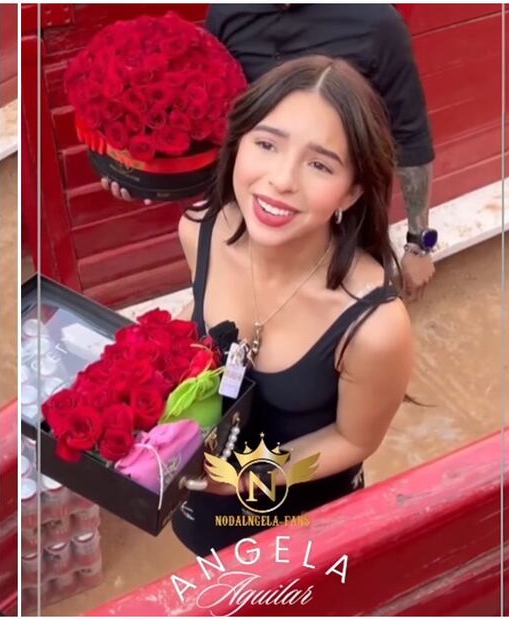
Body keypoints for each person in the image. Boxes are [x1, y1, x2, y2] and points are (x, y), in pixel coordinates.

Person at [164, 56, 414, 554]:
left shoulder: (375, 326)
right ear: (238, 145)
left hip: (303, 529)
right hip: (200, 503)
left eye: (319, 164)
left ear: (352, 192)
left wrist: (243, 478)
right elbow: (198, 324)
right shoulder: (199, 231)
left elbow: (354, 440)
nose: (281, 179)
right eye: (266, 144)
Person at [107, 5, 438, 301]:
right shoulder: (228, 11)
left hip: (333, 235)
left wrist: (418, 243)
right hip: (248, 218)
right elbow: (205, 115)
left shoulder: (378, 23)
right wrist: (146, 174)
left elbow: (411, 141)